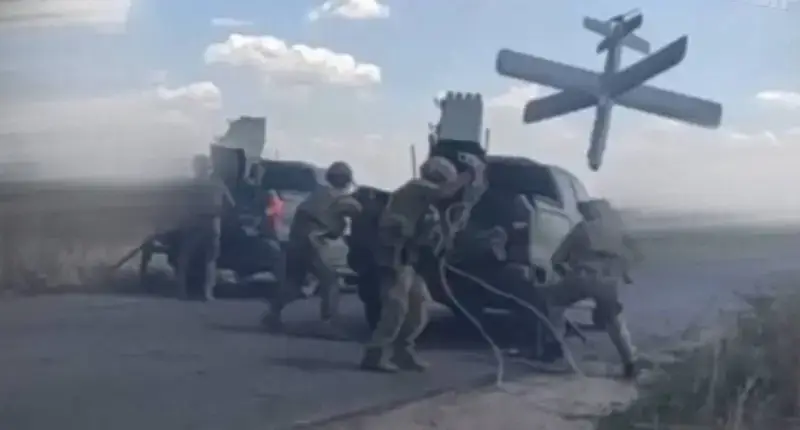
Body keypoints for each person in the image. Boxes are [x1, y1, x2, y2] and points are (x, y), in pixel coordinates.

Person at [360, 156, 478, 373]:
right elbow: (444, 192)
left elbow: (437, 241)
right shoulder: (415, 187)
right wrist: (469, 175)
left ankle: (403, 352)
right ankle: (375, 353)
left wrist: (452, 223)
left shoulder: (429, 208)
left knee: (419, 307)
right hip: (391, 258)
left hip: (408, 261)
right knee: (396, 307)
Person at [263, 161, 361, 337]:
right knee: (330, 281)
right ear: (345, 180)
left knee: (293, 284)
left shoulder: (318, 194)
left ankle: (272, 314)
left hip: (296, 242)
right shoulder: (340, 198)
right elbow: (355, 213)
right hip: (311, 243)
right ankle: (328, 323)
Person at [544, 199, 639, 378]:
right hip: (609, 282)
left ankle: (556, 350)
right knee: (614, 320)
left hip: (582, 277)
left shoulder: (582, 229)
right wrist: (623, 274)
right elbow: (632, 256)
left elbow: (556, 260)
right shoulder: (618, 230)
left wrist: (566, 275)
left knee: (554, 302)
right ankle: (629, 362)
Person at [175, 154, 234, 301]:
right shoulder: (218, 184)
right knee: (210, 261)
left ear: (195, 167)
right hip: (213, 224)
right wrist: (221, 214)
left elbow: (180, 204)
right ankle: (208, 293)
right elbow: (231, 205)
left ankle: (181, 291)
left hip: (194, 223)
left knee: (185, 258)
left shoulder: (191, 185)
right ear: (209, 167)